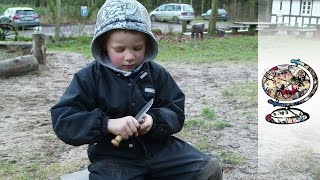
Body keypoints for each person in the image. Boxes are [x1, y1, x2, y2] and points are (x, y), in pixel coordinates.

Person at [51, 0, 223, 179]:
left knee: (209, 169)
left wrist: (154, 121)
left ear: (147, 45)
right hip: (113, 158)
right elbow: (63, 120)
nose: (129, 56)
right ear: (103, 46)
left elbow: (176, 111)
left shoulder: (156, 73)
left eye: (137, 48)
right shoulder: (89, 77)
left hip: (160, 150)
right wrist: (108, 124)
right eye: (119, 49)